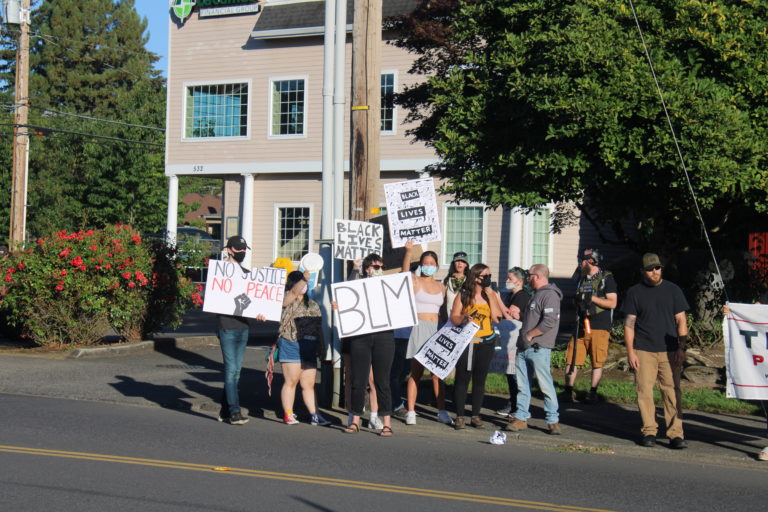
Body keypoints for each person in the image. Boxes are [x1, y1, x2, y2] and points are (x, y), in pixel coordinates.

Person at [622, 253, 689, 449]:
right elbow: (629, 324)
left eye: (657, 268)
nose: (655, 272)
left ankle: (675, 434)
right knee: (644, 391)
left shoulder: (673, 290)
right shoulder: (635, 292)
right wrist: (630, 352)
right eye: (650, 269)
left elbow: (681, 320)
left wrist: (681, 347)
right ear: (643, 271)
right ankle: (649, 431)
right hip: (644, 349)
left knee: (672, 392)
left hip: (669, 350)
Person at [335, 254, 395, 436]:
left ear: (383, 267)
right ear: (366, 269)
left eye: (378, 267)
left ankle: (387, 422)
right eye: (370, 267)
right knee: (358, 380)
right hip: (361, 337)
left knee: (382, 381)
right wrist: (355, 269)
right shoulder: (358, 284)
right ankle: (355, 420)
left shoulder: (390, 286)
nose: (374, 270)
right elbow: (347, 291)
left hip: (384, 336)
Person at [505, 264, 563, 434]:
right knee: (523, 385)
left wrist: (530, 335)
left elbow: (549, 321)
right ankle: (521, 417)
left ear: (536, 276)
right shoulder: (536, 295)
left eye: (529, 275)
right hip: (524, 347)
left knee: (545, 385)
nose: (527, 278)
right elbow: (533, 318)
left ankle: (553, 420)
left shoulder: (550, 295)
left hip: (538, 347)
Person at [216, 236, 266, 426]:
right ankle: (235, 412)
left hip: (243, 326)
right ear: (229, 250)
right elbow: (216, 299)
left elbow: (253, 301)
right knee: (231, 371)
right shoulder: (219, 273)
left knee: (235, 371)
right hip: (227, 326)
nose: (242, 253)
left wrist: (261, 313)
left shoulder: (246, 274)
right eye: (239, 250)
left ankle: (224, 410)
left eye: (244, 249)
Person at [402, 240, 451, 426]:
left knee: (438, 373)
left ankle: (442, 410)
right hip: (419, 327)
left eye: (431, 264)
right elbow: (405, 272)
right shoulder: (415, 281)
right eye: (425, 263)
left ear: (437, 266)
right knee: (416, 372)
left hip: (436, 329)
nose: (428, 266)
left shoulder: (442, 287)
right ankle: (411, 411)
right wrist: (408, 252)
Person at [450, 263, 504, 429]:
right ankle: (460, 415)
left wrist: (490, 294)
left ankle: (475, 415)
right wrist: (464, 318)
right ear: (475, 277)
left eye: (489, 275)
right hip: (468, 342)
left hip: (486, 341)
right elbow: (454, 317)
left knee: (480, 380)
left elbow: (497, 318)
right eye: (484, 276)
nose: (487, 279)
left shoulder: (490, 294)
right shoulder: (464, 294)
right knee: (463, 378)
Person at [562, 248, 618, 403]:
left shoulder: (607, 278)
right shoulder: (581, 278)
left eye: (583, 260)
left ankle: (592, 393)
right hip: (580, 324)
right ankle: (568, 391)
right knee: (572, 358)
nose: (580, 263)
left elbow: (612, 302)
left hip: (599, 325)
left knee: (597, 361)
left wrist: (591, 298)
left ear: (591, 261)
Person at [277, 271, 330, 426]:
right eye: (300, 282)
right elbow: (292, 294)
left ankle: (315, 414)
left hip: (310, 345)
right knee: (291, 381)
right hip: (291, 343)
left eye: (305, 282)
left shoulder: (313, 304)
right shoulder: (286, 300)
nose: (304, 285)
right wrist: (304, 279)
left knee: (309, 384)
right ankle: (288, 413)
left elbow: (319, 329)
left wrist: (322, 349)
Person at [496, 267, 530, 417]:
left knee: (515, 372)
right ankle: (514, 403)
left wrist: (497, 298)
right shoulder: (511, 295)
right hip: (511, 338)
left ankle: (517, 405)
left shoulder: (521, 296)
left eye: (510, 279)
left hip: (516, 338)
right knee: (511, 372)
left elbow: (510, 315)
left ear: (520, 281)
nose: (507, 281)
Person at [442, 251, 469, 321]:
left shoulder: (470, 282)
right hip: (447, 320)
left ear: (466, 264)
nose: (459, 263)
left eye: (462, 261)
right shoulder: (445, 281)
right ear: (453, 263)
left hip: (465, 320)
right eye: (457, 261)